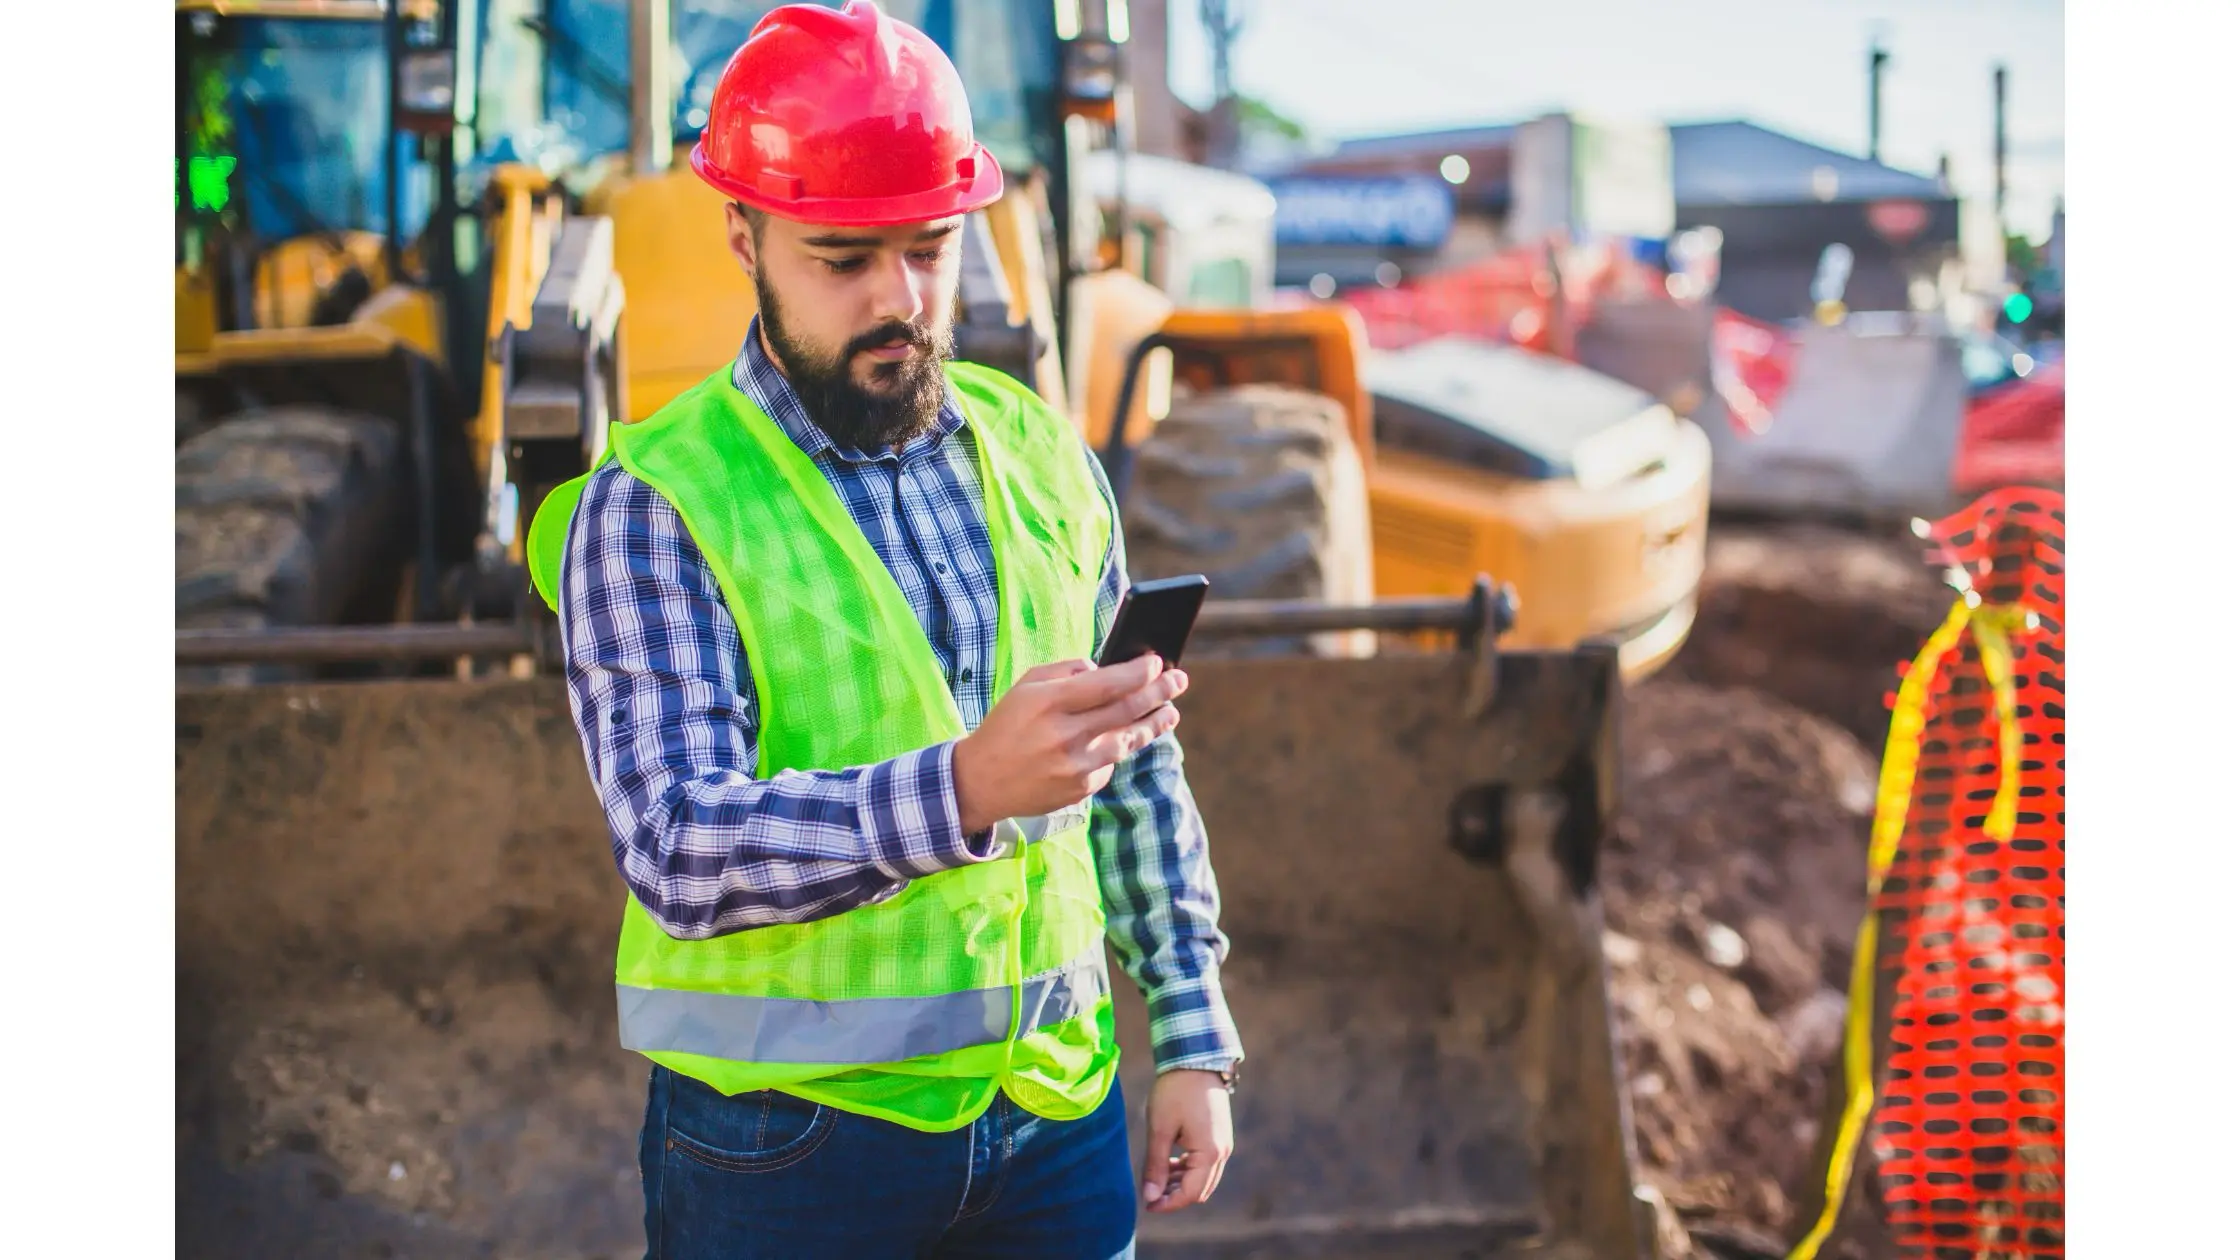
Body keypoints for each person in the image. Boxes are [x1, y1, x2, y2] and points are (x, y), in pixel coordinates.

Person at [523, 5, 1242, 1257]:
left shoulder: (1039, 450)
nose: (897, 299)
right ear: (743, 236)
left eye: (927, 248)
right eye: (842, 257)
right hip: (787, 1152)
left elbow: (1131, 768)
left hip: (1054, 1117)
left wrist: (1187, 1030)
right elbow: (678, 843)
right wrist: (963, 789)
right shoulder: (655, 505)